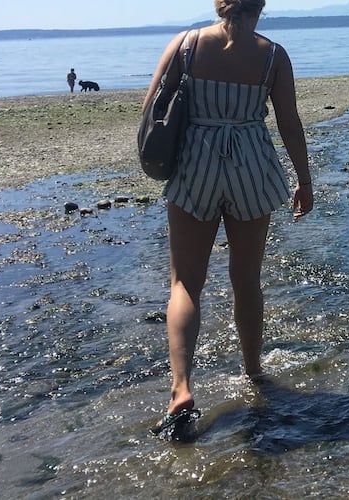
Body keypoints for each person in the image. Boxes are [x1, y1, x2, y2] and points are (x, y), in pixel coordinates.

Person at [143, 0, 313, 439]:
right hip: (251, 166)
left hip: (193, 165)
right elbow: (289, 123)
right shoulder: (273, 55)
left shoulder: (185, 45)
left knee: (185, 284)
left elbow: (152, 110)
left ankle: (181, 390)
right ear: (261, 6)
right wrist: (304, 180)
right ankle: (253, 371)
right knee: (246, 279)